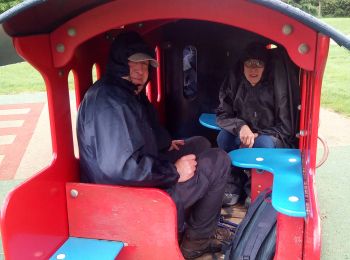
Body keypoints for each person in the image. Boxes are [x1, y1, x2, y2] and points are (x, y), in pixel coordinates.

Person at [77, 31, 231, 259]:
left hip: (138, 180)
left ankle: (194, 216)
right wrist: (174, 171)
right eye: (135, 63)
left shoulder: (128, 92)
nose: (141, 70)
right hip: (127, 198)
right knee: (219, 160)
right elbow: (120, 168)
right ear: (120, 63)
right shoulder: (109, 102)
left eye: (146, 64)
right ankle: (198, 240)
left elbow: (144, 129)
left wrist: (167, 143)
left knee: (199, 143)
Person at [216, 43, 293, 206]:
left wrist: (260, 135)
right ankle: (232, 183)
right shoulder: (235, 83)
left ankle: (255, 189)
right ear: (242, 66)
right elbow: (223, 114)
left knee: (262, 144)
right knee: (224, 138)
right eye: (249, 64)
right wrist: (241, 127)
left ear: (265, 67)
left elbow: (286, 127)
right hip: (243, 132)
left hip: (270, 137)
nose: (253, 69)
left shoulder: (276, 87)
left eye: (258, 64)